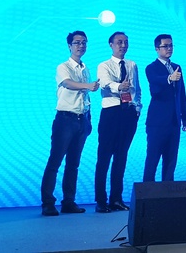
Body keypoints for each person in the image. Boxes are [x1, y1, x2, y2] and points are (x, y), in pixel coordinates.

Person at [41, 31, 99, 216]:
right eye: (77, 42)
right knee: (55, 162)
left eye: (84, 42)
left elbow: (85, 96)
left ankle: (69, 202)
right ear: (69, 46)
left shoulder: (85, 68)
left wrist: (88, 119)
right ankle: (48, 203)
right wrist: (88, 85)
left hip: (82, 119)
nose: (81, 46)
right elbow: (67, 83)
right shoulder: (63, 66)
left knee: (73, 164)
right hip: (65, 119)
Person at [95, 31, 141, 213]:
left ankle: (116, 198)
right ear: (111, 45)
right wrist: (119, 86)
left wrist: (137, 108)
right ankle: (101, 200)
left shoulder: (132, 64)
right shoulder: (104, 65)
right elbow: (105, 83)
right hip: (111, 112)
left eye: (126, 42)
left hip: (128, 113)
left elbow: (137, 88)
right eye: (119, 42)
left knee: (121, 157)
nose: (123, 45)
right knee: (104, 157)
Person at [143, 34, 186, 183]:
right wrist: (169, 78)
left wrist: (185, 117)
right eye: (165, 46)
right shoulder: (151, 68)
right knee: (152, 159)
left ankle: (168, 191)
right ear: (157, 49)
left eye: (171, 45)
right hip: (157, 122)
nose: (169, 48)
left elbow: (181, 93)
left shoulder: (176, 67)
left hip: (174, 121)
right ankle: (148, 192)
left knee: (170, 161)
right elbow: (155, 84)